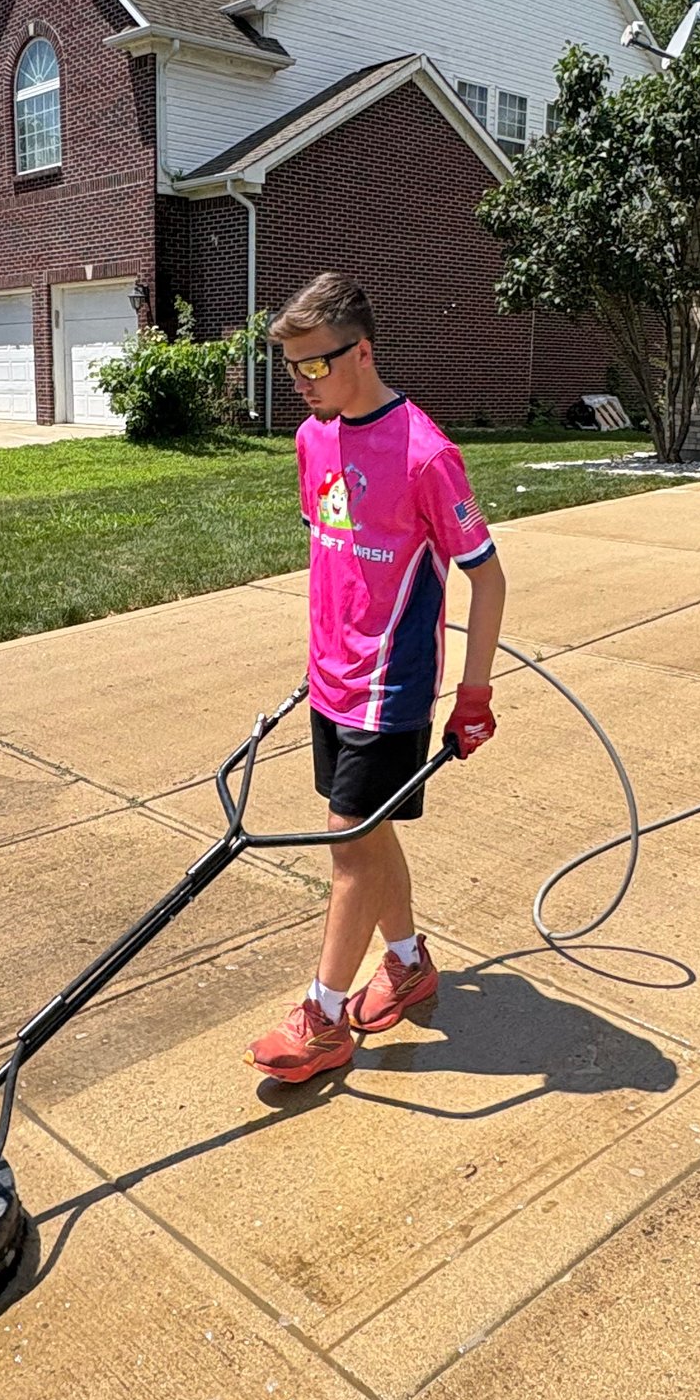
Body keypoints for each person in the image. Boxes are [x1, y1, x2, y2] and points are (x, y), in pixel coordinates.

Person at [248, 271, 508, 1083]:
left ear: (362, 350)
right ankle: (407, 960)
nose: (298, 384)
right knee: (370, 832)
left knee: (348, 843)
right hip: (329, 679)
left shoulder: (428, 454)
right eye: (289, 369)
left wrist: (473, 695)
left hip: (390, 685)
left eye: (313, 367)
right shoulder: (312, 440)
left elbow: (488, 578)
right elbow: (334, 556)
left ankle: (324, 1018)